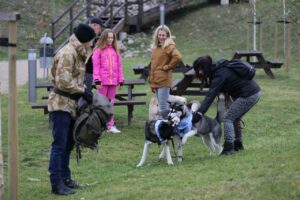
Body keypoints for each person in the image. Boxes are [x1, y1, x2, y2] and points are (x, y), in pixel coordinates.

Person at [48, 23, 95, 195]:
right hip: (61, 104)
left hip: (71, 104)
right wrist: (83, 91)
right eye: (91, 40)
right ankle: (56, 183)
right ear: (85, 39)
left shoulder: (77, 52)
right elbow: (63, 81)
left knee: (68, 144)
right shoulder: (68, 53)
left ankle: (65, 179)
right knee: (59, 145)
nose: (92, 43)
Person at [192, 55, 261, 156]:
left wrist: (199, 113)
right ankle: (238, 144)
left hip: (249, 94)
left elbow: (210, 96)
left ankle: (229, 148)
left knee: (229, 118)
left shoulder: (219, 74)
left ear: (206, 67)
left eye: (201, 69)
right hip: (253, 92)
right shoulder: (217, 69)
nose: (199, 72)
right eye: (198, 70)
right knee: (235, 117)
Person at [92, 29, 124, 134]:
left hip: (113, 82)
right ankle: (100, 125)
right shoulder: (98, 51)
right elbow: (96, 67)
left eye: (112, 37)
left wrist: (120, 80)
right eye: (108, 37)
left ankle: (110, 126)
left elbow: (119, 66)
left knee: (111, 104)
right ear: (104, 38)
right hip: (102, 82)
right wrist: (97, 80)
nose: (110, 39)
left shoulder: (115, 51)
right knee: (101, 104)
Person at [149, 25, 182, 118]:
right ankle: (163, 126)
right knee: (160, 105)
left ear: (167, 36)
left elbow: (178, 56)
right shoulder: (156, 47)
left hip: (164, 81)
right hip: (156, 80)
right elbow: (153, 66)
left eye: (163, 35)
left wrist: (168, 66)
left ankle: (165, 127)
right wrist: (152, 82)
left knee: (163, 106)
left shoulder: (168, 46)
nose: (161, 37)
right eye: (159, 35)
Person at [84, 17, 105, 91]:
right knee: (84, 94)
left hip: (90, 71)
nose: (101, 30)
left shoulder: (92, 36)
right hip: (85, 71)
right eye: (100, 27)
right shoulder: (86, 35)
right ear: (95, 25)